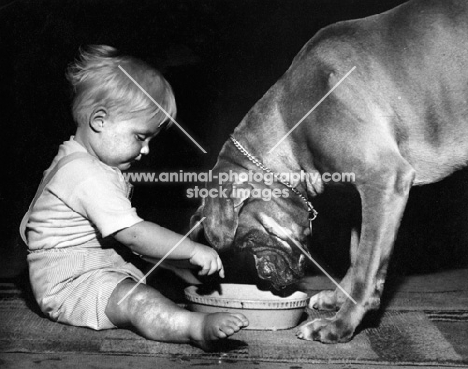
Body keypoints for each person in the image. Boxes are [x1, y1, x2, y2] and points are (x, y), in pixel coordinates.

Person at [19, 45, 248, 351]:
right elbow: (135, 236)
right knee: (137, 300)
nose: (146, 150)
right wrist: (191, 249)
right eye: (140, 137)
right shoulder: (86, 175)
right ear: (100, 121)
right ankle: (193, 328)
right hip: (70, 286)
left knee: (167, 278)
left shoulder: (77, 160)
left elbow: (120, 242)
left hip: (95, 264)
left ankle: (182, 302)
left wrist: (174, 262)